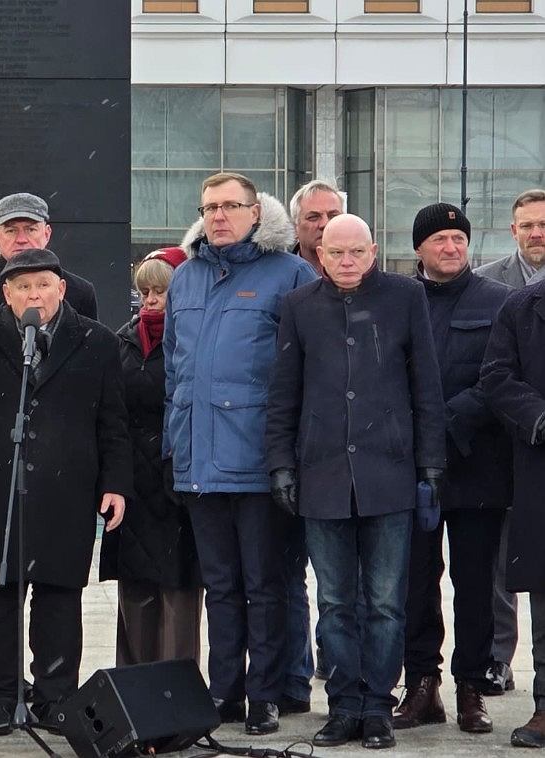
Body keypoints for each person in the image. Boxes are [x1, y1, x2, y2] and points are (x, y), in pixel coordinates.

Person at [266, 214, 446, 750]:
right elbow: (284, 393)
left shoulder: (405, 298)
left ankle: (377, 707)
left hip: (388, 472)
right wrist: (281, 463)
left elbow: (426, 385)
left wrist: (430, 463)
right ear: (319, 254)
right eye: (335, 253)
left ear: (372, 251)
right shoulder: (299, 306)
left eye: (356, 252)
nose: (346, 262)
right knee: (336, 602)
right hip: (321, 474)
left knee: (387, 602)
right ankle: (344, 705)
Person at [0, 248, 132, 733]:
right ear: (6, 293)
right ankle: (0, 697)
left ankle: (55, 698)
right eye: (22, 287)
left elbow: (113, 422)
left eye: (43, 285)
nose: (33, 295)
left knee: (60, 598)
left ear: (61, 289)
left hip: (68, 490)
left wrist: (115, 484)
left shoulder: (97, 341)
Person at [164, 172, 315, 736]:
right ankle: (224, 693)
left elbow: (302, 377)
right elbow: (174, 374)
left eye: (230, 205)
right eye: (209, 207)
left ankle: (265, 695)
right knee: (220, 587)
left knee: (264, 585)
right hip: (199, 464)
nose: (218, 216)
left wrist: (290, 460)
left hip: (258, 463)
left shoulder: (291, 275)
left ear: (257, 212)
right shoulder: (185, 278)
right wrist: (171, 451)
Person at [393, 203, 513, 736]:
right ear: (419, 248)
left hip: (477, 464)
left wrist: (446, 418)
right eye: (439, 239)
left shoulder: (498, 301)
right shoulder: (398, 300)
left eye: (458, 238)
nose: (451, 247)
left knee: (473, 583)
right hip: (411, 468)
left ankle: (471, 687)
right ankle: (421, 684)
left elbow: (502, 375)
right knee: (415, 582)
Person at [98, 246, 203, 666]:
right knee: (135, 591)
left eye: (160, 290)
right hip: (132, 484)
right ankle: (134, 690)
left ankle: (176, 693)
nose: (150, 300)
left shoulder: (192, 341)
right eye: (145, 291)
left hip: (176, 480)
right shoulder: (122, 340)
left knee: (178, 594)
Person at [475, 187, 545, 695]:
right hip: (508, 451)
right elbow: (492, 374)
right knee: (509, 568)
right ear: (513, 230)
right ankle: (503, 663)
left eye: (544, 224)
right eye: (528, 225)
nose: (536, 233)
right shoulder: (494, 288)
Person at [284, 179, 347, 700]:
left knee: (342, 582)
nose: (322, 225)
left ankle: (340, 664)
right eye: (312, 217)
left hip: (344, 456)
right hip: (293, 448)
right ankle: (295, 671)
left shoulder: (363, 281)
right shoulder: (285, 277)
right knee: (288, 578)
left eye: (330, 215)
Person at [0, 193, 99, 321]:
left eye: (31, 229)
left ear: (47, 234)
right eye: (11, 230)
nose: (21, 239)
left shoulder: (81, 293)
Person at [288, 180, 344, 274]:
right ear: (295, 228)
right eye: (313, 217)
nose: (325, 224)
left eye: (333, 216)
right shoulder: (279, 278)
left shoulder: (365, 277)